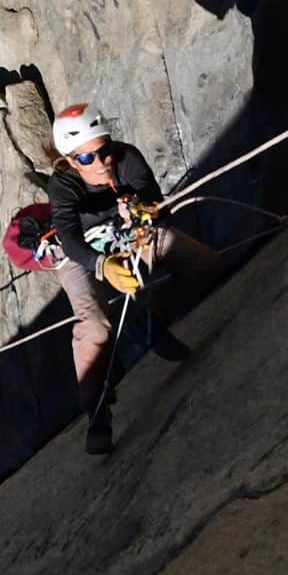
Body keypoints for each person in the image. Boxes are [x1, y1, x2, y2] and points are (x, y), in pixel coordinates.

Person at [47, 102, 223, 455]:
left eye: (104, 150)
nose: (101, 162)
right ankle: (96, 414)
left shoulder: (127, 158)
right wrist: (103, 265)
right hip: (80, 255)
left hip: (129, 233)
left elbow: (159, 205)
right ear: (69, 161)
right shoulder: (62, 186)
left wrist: (141, 209)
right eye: (87, 159)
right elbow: (68, 238)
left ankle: (152, 325)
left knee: (202, 263)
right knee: (94, 327)